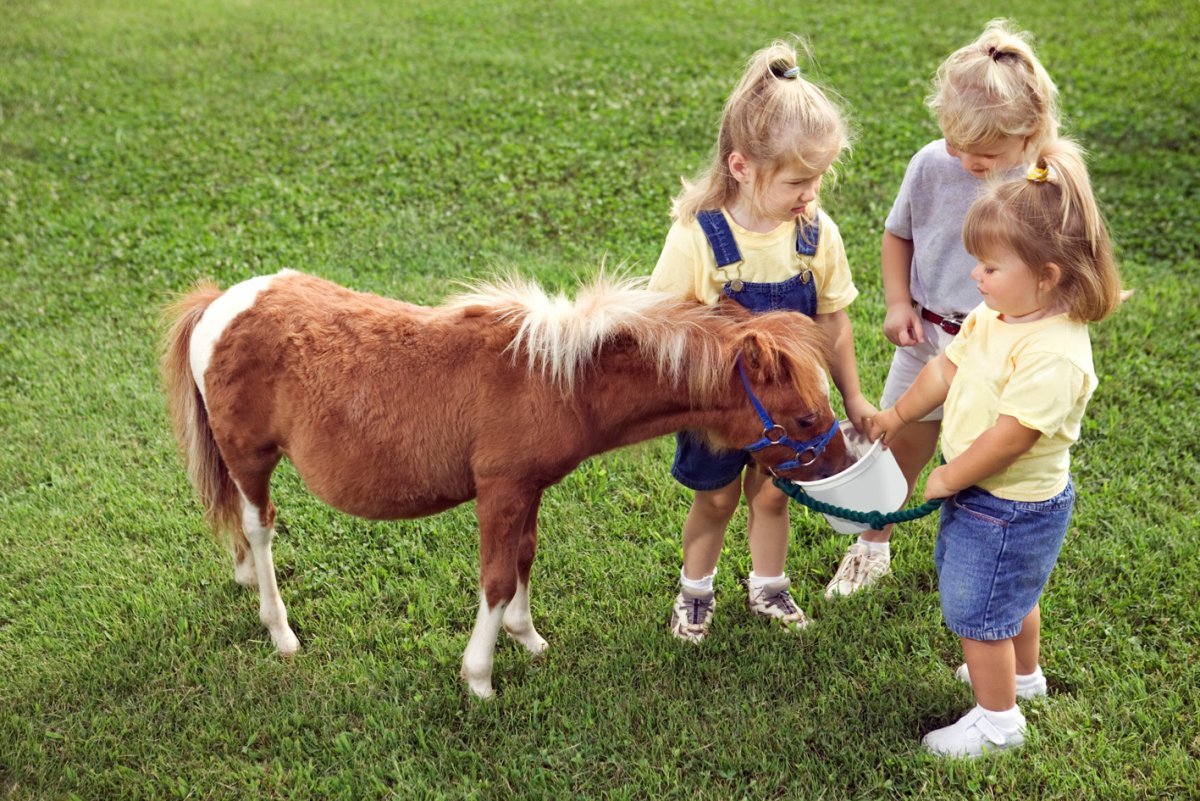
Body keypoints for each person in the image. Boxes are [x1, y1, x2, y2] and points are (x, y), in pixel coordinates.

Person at [869, 137, 1123, 757]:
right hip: (988, 495)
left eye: (988, 267)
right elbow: (944, 371)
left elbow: (1012, 438)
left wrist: (950, 478)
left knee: (978, 613)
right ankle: (1025, 677)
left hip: (1009, 503)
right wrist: (896, 415)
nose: (974, 276)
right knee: (1013, 597)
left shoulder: (1055, 353)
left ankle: (998, 721)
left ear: (1047, 275)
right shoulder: (995, 316)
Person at [826, 20, 1061, 597]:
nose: (965, 160)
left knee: (987, 461)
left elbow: (1065, 271)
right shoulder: (933, 163)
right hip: (929, 335)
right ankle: (871, 545)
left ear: (1028, 131)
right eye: (954, 143)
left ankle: (979, 554)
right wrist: (899, 301)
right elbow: (897, 234)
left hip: (1001, 350)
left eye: (982, 153)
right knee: (898, 443)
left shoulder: (1046, 185)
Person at [649, 40, 875, 642]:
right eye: (798, 181)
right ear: (741, 166)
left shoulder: (817, 235)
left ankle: (768, 587)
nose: (811, 194)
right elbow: (665, 330)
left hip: (795, 412)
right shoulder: (699, 239)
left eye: (819, 178)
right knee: (717, 501)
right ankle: (695, 591)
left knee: (774, 497)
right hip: (722, 411)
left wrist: (852, 401)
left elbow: (834, 322)